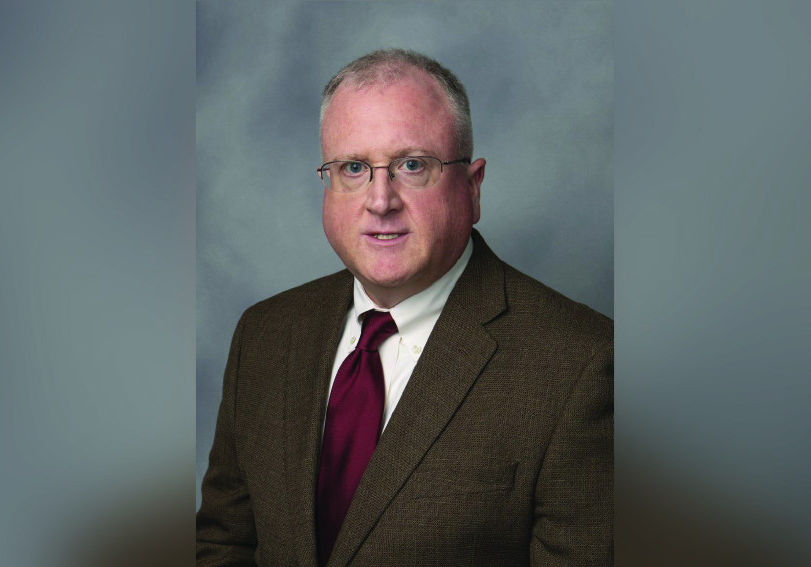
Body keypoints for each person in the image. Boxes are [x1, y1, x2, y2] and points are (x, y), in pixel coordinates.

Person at [196, 48, 613, 567]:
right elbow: (224, 545)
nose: (380, 200)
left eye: (412, 165)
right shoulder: (265, 335)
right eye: (353, 168)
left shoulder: (582, 365)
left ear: (472, 187)